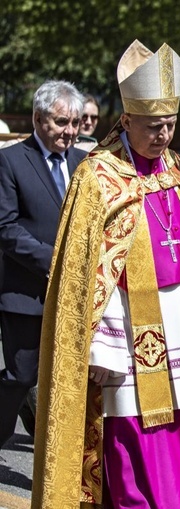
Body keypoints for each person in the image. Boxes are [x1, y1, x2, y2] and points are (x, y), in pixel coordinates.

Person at [31, 41, 180, 509]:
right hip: (127, 331)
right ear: (127, 119)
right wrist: (100, 347)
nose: (163, 135)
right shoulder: (97, 176)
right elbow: (85, 276)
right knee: (132, 435)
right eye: (154, 126)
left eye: (170, 125)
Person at [0, 80, 86, 451]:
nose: (69, 131)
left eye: (75, 123)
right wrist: (52, 262)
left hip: (76, 295)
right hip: (26, 292)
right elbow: (6, 226)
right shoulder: (11, 161)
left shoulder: (85, 164)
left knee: (67, 380)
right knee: (22, 376)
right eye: (61, 121)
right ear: (38, 118)